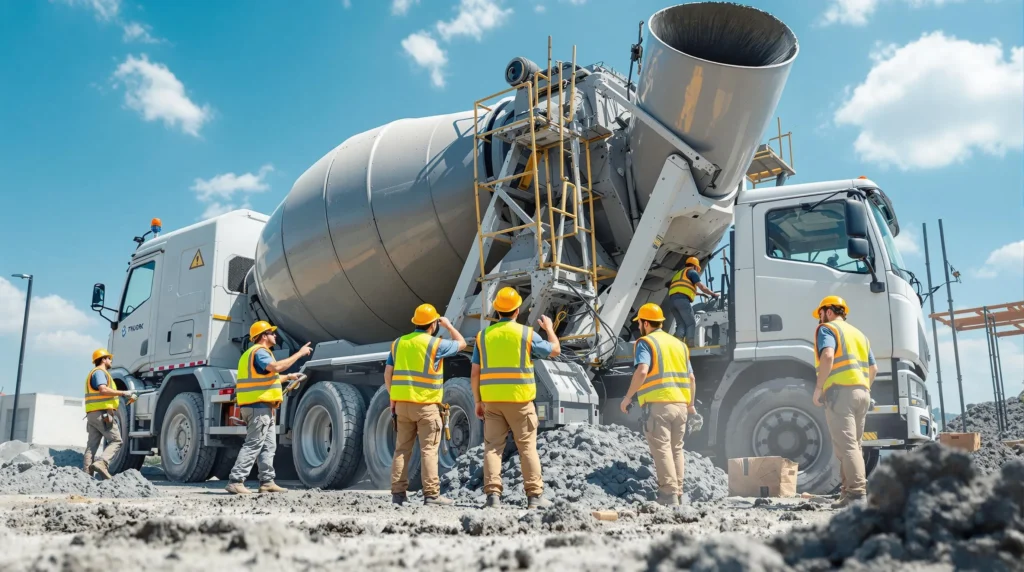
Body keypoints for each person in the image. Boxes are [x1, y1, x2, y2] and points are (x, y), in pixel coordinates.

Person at [471, 286, 560, 509]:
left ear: (497, 311)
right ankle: (534, 497)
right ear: (517, 310)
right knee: (527, 448)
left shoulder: (483, 337)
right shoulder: (526, 334)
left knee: (492, 448)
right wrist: (549, 329)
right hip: (520, 402)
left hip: (492, 402)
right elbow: (555, 350)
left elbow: (475, 371)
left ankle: (492, 497)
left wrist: (478, 401)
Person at [386, 303, 467, 506]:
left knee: (402, 450)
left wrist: (393, 396)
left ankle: (398, 495)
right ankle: (431, 495)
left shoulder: (398, 343)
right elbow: (462, 343)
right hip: (426, 406)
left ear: (415, 323)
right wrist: (448, 326)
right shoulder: (435, 344)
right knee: (428, 450)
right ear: (433, 324)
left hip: (402, 405)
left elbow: (388, 373)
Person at [619, 303, 694, 506]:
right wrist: (691, 405)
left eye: (640, 324)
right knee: (676, 449)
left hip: (658, 406)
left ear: (644, 323)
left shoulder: (646, 342)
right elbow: (691, 378)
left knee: (662, 449)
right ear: (660, 322)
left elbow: (642, 370)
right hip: (680, 405)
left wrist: (627, 398)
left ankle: (668, 496)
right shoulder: (680, 345)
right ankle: (678, 492)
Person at [226, 321, 311, 495]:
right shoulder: (260, 352)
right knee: (254, 443)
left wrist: (288, 377)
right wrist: (300, 354)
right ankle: (236, 480)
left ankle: (267, 482)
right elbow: (276, 368)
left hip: (261, 406)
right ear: (264, 336)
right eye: (272, 333)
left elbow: (268, 377)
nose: (275, 336)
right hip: (258, 406)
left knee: (268, 445)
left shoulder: (253, 354)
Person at [811, 296, 877, 509]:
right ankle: (847, 494)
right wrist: (863, 387)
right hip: (862, 393)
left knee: (847, 447)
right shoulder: (860, 334)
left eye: (820, 314)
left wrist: (819, 388)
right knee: (853, 446)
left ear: (828, 311)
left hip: (840, 394)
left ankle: (857, 495)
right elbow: (874, 369)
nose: (819, 320)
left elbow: (828, 356)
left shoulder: (828, 329)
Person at [83, 349, 135, 480]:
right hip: (102, 414)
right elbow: (103, 389)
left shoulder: (93, 373)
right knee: (116, 440)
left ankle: (86, 478)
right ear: (103, 359)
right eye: (109, 358)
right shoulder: (100, 373)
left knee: (91, 447)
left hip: (92, 414)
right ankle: (102, 462)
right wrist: (124, 393)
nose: (111, 361)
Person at [667, 257, 719, 346]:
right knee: (691, 323)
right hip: (682, 301)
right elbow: (702, 287)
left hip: (672, 301)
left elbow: (683, 288)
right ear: (695, 266)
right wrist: (712, 294)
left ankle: (677, 344)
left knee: (681, 323)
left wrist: (700, 294)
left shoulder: (679, 274)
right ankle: (689, 344)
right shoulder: (692, 272)